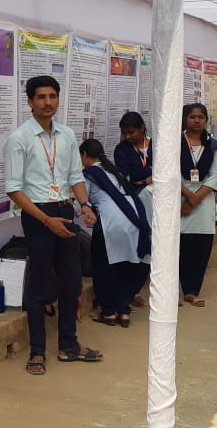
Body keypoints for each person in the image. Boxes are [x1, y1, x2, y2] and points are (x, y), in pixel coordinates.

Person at [4, 75, 101, 375]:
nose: (48, 102)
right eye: (41, 97)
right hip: (38, 216)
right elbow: (14, 189)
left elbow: (75, 177)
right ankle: (37, 351)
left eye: (52, 96)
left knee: (72, 283)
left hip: (65, 210)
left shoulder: (68, 136)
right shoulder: (19, 139)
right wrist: (47, 220)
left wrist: (84, 206)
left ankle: (68, 346)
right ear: (30, 101)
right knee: (39, 285)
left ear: (58, 99)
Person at [81, 138, 150, 329]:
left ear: (85, 155)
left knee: (105, 267)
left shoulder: (89, 174)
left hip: (110, 221)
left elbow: (82, 199)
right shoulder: (114, 170)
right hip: (134, 219)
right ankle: (124, 310)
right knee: (128, 266)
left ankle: (109, 312)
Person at [179, 103, 217, 308]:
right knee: (177, 249)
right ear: (184, 119)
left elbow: (215, 178)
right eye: (192, 117)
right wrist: (188, 196)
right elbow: (169, 173)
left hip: (204, 203)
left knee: (200, 250)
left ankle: (191, 291)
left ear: (206, 120)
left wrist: (194, 201)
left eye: (201, 117)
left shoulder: (215, 147)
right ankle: (174, 291)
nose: (196, 121)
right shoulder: (175, 143)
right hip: (178, 197)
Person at [112, 111, 153, 309]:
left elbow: (168, 168)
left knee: (150, 248)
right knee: (135, 246)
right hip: (134, 201)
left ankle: (133, 291)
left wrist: (141, 176)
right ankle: (125, 292)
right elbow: (127, 176)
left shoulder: (157, 145)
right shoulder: (121, 150)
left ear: (142, 129)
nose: (127, 137)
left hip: (157, 203)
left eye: (131, 133)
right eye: (124, 133)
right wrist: (149, 175)